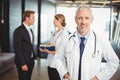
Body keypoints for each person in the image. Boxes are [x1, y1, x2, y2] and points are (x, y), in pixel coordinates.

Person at [53, 6, 119, 80]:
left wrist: (98, 77)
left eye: (87, 18)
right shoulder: (67, 39)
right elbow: (58, 58)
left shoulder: (101, 40)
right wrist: (64, 73)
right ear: (75, 19)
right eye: (80, 18)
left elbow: (114, 62)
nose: (83, 22)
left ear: (92, 20)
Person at [40, 14, 69, 80]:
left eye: (54, 20)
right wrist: (45, 49)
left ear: (59, 21)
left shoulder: (65, 34)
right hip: (50, 61)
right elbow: (52, 44)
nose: (53, 22)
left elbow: (63, 51)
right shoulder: (55, 32)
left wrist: (49, 51)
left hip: (58, 64)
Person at [13, 10, 36, 80]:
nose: (34, 19)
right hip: (23, 62)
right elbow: (17, 49)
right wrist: (22, 63)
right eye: (33, 17)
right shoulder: (19, 30)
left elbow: (29, 45)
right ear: (27, 18)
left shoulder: (30, 30)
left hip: (30, 60)